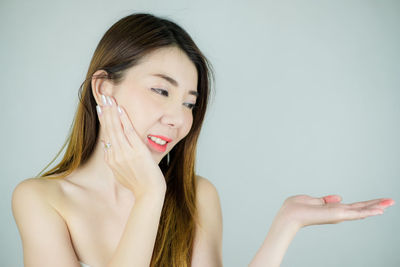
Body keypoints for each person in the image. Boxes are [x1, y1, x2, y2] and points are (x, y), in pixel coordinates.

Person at [11, 13, 394, 267]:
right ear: (103, 88)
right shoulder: (40, 199)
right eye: (161, 91)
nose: (178, 119)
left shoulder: (198, 195)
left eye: (189, 103)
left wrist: (286, 224)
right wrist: (148, 194)